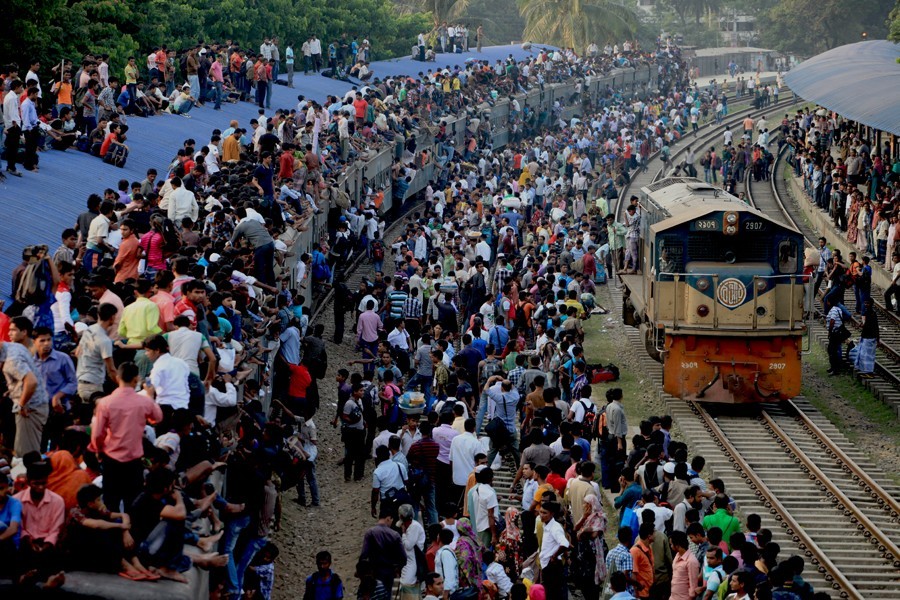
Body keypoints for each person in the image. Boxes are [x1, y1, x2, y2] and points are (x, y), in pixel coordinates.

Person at [0, 339, 50, 456]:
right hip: (36, 402)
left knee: (26, 455)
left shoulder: (11, 361)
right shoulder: (14, 346)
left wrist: (21, 404)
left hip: (29, 408)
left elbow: (31, 382)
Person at [359, 503, 406, 592]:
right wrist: (398, 569)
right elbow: (403, 557)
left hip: (373, 572)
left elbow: (364, 555)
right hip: (389, 572)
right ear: (388, 518)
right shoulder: (395, 535)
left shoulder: (370, 533)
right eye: (391, 520)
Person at [538, 501, 569, 597]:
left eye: (545, 513)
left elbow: (565, 543)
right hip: (546, 565)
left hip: (552, 566)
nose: (541, 515)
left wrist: (554, 556)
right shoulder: (546, 526)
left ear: (552, 514)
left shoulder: (555, 527)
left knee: (553, 594)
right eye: (541, 512)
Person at [398, 503, 425, 599]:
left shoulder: (414, 527)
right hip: (408, 560)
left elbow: (409, 545)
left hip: (413, 560)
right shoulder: (408, 525)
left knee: (407, 582)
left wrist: (404, 534)